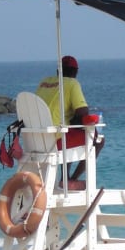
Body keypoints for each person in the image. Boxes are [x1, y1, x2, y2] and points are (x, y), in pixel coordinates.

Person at [35, 55, 104, 187]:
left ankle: (65, 177)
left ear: (58, 71)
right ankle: (71, 179)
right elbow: (83, 112)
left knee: (69, 131)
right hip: (55, 141)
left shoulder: (44, 82)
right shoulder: (72, 83)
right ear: (75, 72)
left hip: (36, 139)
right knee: (97, 140)